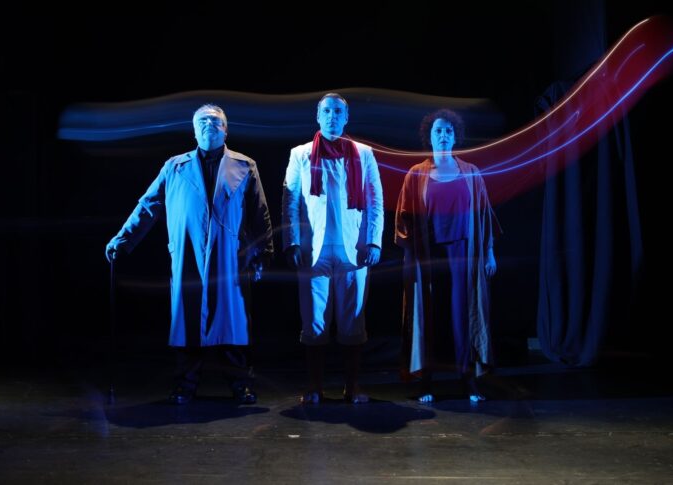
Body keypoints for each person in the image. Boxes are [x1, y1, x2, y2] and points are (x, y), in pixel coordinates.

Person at [105, 104, 273, 405]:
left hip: (228, 257)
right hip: (189, 254)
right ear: (194, 130)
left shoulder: (245, 165)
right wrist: (124, 238)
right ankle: (185, 384)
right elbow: (148, 205)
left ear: (226, 130)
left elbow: (259, 212)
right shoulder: (174, 167)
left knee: (232, 324)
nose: (209, 125)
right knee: (188, 321)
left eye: (216, 121)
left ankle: (240, 384)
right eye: (203, 121)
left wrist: (263, 251)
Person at [282, 93, 384, 404]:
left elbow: (375, 200)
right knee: (314, 321)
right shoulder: (300, 154)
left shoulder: (364, 153)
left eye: (338, 112)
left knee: (353, 320)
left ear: (346, 118)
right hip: (313, 250)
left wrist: (374, 240)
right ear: (318, 116)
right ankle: (315, 387)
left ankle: (352, 387)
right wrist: (292, 242)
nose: (332, 117)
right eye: (326, 111)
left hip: (354, 250)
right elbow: (290, 201)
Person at [395, 109, 499, 403]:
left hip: (463, 255)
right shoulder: (416, 174)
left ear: (456, 137)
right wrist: (411, 259)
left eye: (448, 131)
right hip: (429, 257)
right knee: (429, 316)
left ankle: (468, 379)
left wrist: (489, 253)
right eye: (438, 131)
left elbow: (484, 215)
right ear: (429, 137)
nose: (443, 135)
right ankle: (426, 381)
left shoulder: (471, 172)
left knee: (461, 316)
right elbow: (404, 219)